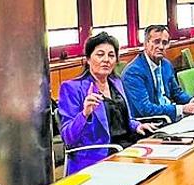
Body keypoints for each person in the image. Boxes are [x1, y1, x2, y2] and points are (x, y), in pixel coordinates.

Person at [58, 32, 157, 173]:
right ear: (88, 59)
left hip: (128, 148)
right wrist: (85, 113)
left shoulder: (116, 82)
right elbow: (68, 138)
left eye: (111, 55)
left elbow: (123, 119)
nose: (106, 60)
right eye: (100, 55)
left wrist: (137, 125)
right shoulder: (71, 88)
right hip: (99, 156)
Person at [121, 24, 194, 122]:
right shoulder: (133, 72)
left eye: (164, 43)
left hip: (170, 117)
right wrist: (182, 109)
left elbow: (177, 93)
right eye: (156, 42)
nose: (161, 47)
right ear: (146, 44)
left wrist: (192, 100)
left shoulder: (166, 65)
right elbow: (145, 109)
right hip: (151, 123)